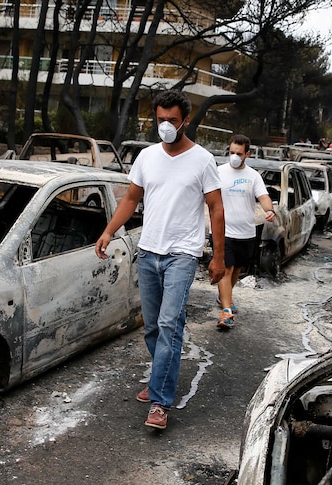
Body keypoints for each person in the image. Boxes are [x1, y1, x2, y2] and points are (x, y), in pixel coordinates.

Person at [95, 90, 226, 430]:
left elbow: (216, 208)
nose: (165, 125)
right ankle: (160, 377)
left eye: (172, 120)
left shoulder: (202, 160)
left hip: (182, 254)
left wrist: (218, 256)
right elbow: (131, 199)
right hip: (149, 250)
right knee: (152, 327)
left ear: (185, 120)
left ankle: (160, 402)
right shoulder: (147, 157)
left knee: (170, 325)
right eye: (160, 119)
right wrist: (109, 231)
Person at [216, 134, 275, 330]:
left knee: (237, 269)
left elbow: (263, 196)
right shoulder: (218, 172)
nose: (234, 156)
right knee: (226, 269)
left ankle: (226, 297)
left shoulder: (253, 176)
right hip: (223, 231)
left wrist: (270, 210)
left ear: (247, 154)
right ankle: (226, 312)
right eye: (231, 152)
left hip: (247, 232)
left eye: (238, 153)